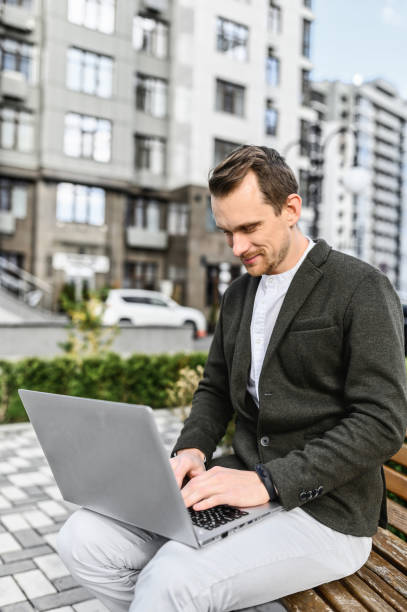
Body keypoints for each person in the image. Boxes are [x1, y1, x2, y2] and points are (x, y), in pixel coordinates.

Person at [57, 146, 407, 612]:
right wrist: (190, 451)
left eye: (248, 228)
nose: (237, 248)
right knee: (82, 539)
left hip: (327, 513)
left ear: (291, 209)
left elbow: (382, 422)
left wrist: (269, 482)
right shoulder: (239, 294)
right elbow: (215, 390)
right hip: (239, 488)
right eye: (226, 232)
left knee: (170, 580)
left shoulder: (359, 287)